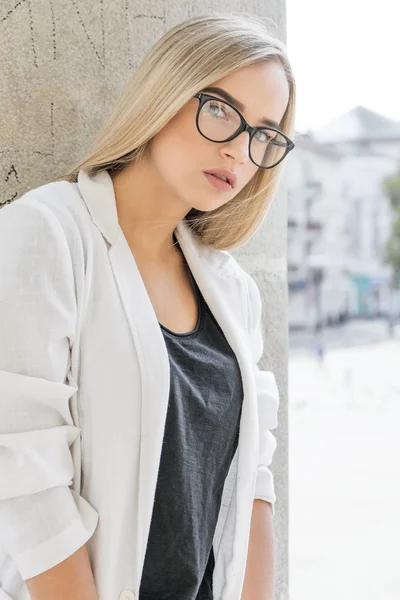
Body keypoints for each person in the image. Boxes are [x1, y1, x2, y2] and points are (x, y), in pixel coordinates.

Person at [0, 12, 296, 600]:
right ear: (165, 93)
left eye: (263, 134)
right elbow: (23, 475)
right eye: (220, 109)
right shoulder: (46, 234)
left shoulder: (232, 290)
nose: (241, 151)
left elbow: (252, 484)